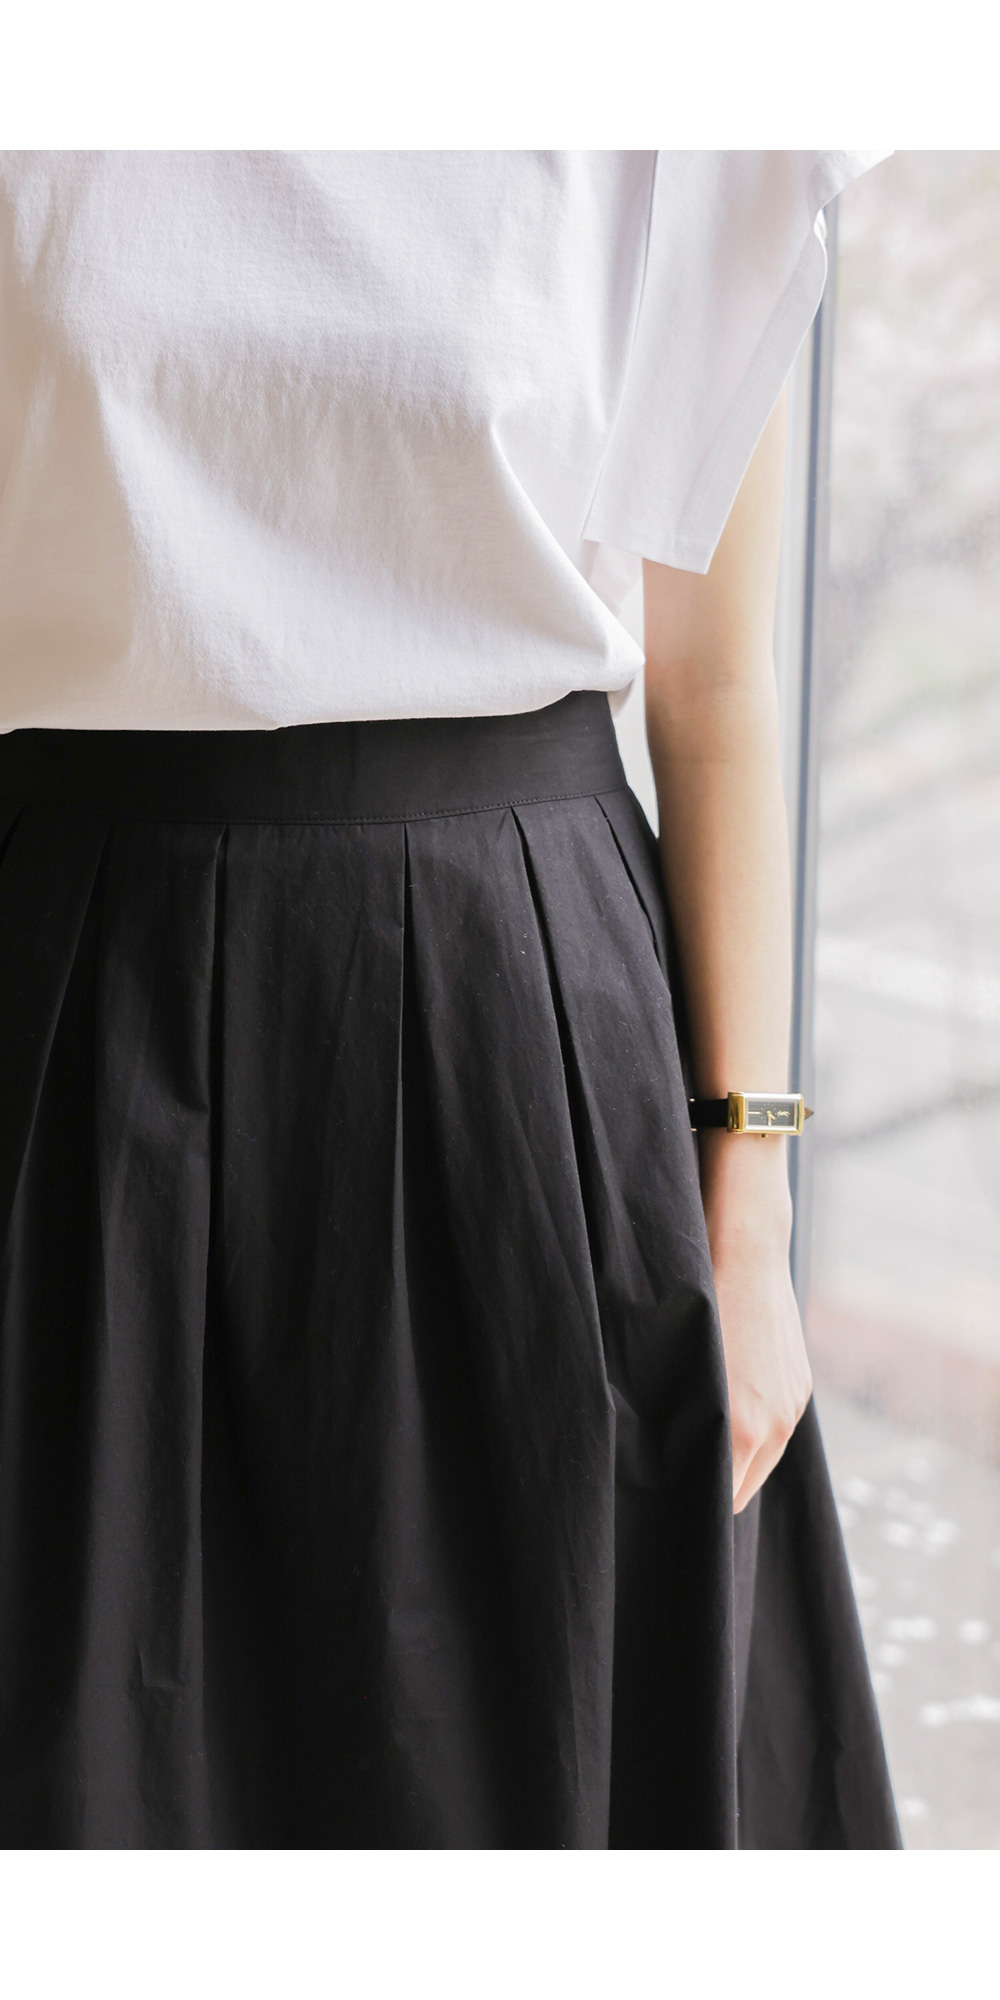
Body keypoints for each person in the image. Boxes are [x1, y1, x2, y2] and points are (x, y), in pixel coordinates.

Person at [0, 149, 899, 1848]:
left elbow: (716, 687)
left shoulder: (668, 125)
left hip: (520, 1044)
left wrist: (752, 1207)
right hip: (75, 1016)